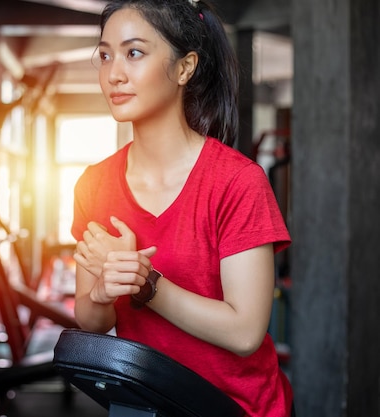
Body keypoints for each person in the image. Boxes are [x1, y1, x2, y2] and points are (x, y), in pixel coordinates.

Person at [70, 1, 294, 416]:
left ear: (185, 67)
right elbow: (91, 319)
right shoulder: (94, 184)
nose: (113, 73)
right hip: (142, 404)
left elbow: (245, 331)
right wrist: (101, 294)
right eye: (105, 55)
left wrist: (145, 283)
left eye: (134, 52)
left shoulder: (237, 182)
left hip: (234, 408)